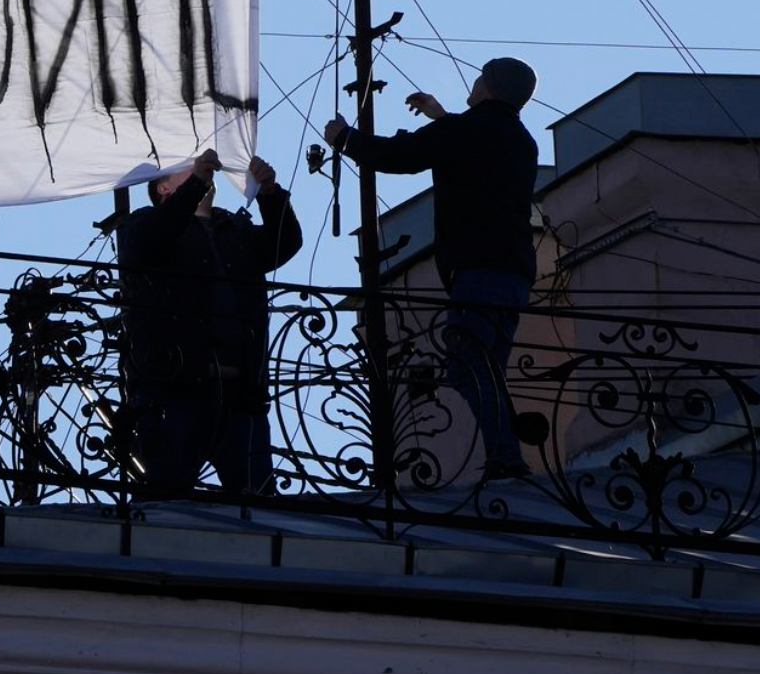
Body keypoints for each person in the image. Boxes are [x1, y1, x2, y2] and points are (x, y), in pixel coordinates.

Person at [324, 57, 540, 481]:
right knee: (486, 367)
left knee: (467, 365)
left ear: (489, 87)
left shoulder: (464, 131)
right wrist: (442, 118)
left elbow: (399, 156)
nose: (473, 82)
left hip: (476, 272)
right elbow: (475, 155)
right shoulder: (520, 139)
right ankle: (506, 452)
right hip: (513, 273)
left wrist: (344, 138)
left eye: (480, 78)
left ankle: (506, 457)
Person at [115, 148, 302, 497]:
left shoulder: (234, 227)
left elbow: (284, 244)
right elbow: (150, 239)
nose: (199, 166)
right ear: (163, 188)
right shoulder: (141, 223)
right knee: (167, 503)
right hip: (175, 389)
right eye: (185, 167)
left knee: (260, 501)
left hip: (241, 393)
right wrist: (196, 185)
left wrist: (270, 193)